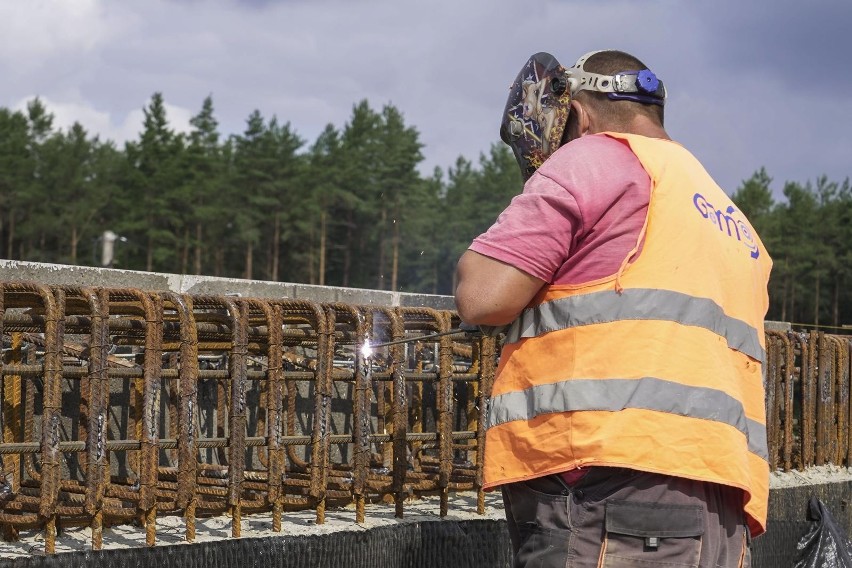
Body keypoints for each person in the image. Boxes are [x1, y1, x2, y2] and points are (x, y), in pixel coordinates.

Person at [454, 49, 772, 568]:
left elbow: (482, 297)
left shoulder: (594, 156)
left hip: (614, 495)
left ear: (578, 115)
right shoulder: (726, 214)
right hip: (721, 506)